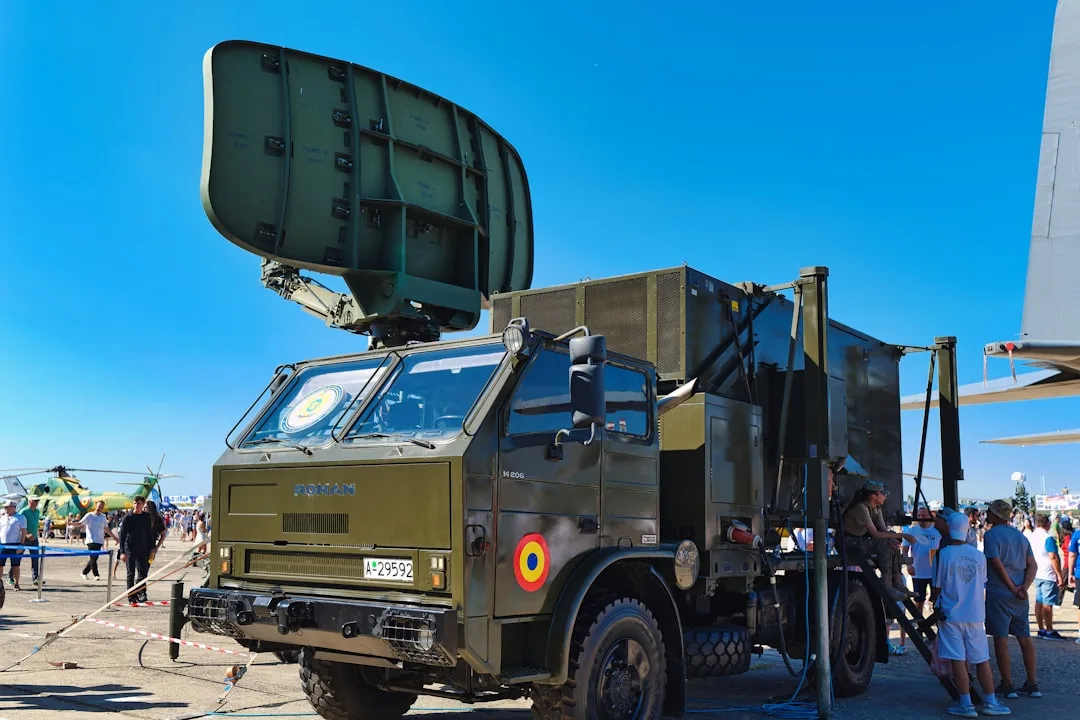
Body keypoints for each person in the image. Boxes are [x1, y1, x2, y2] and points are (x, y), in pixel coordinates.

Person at [931, 512, 1011, 717]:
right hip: (975, 614)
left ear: (949, 528)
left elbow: (937, 586)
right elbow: (982, 582)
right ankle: (990, 701)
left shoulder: (943, 554)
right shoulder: (978, 555)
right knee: (981, 659)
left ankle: (965, 704)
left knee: (957, 659)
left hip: (951, 614)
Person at [982, 499, 1041, 698]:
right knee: (1025, 638)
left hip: (999, 592)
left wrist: (1011, 587)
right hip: (1020, 595)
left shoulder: (991, 535)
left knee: (1001, 639)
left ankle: (1007, 684)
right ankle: (1032, 683)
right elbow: (1032, 565)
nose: (987, 514)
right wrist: (1023, 587)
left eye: (990, 511)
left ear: (996, 515)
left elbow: (996, 563)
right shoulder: (1020, 536)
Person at [843, 479, 917, 600]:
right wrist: (903, 535)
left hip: (859, 541)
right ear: (874, 496)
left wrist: (893, 539)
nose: (885, 497)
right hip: (849, 542)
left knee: (892, 543)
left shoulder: (875, 508)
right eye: (883, 494)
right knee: (884, 544)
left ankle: (898, 583)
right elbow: (876, 534)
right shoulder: (861, 508)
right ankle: (887, 585)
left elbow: (883, 530)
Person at [1028, 513, 1066, 639]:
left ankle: (1041, 628)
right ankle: (1049, 629)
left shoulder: (1031, 536)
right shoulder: (1047, 538)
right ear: (1047, 524)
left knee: (1039, 601)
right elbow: (1053, 556)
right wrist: (1059, 574)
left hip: (1036, 572)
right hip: (1048, 573)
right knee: (1047, 602)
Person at [118, 497, 156, 604]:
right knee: (130, 573)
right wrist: (122, 552)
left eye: (139, 503)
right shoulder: (128, 517)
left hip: (143, 548)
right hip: (130, 548)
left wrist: (152, 549)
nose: (136, 505)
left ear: (143, 505)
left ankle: (140, 593)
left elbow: (150, 534)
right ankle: (131, 597)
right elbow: (122, 536)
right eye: (135, 503)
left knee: (142, 573)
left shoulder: (146, 517)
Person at [73, 500, 117, 581]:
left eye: (102, 507)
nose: (100, 508)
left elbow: (106, 529)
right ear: (96, 505)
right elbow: (80, 523)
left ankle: (84, 572)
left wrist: (115, 538)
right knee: (93, 558)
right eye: (99, 506)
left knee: (94, 558)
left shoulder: (103, 517)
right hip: (91, 540)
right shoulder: (89, 515)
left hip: (99, 540)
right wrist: (72, 523)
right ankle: (96, 575)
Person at [0, 499, 28, 591]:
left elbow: (23, 532)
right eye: (5, 507)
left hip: (15, 544)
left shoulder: (20, 518)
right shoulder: (2, 517)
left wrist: (21, 544)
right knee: (0, 565)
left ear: (13, 507)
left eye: (7, 507)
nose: (5, 509)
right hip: (2, 544)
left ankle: (16, 584)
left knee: (15, 565)